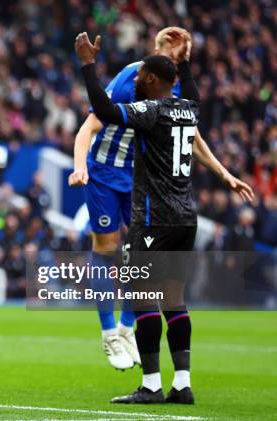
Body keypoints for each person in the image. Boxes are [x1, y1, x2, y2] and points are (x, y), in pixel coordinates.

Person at [74, 32, 252, 404]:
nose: (136, 79)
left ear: (153, 82)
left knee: (141, 297)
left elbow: (104, 112)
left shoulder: (151, 112)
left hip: (154, 215)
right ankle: (183, 384)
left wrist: (88, 68)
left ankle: (151, 385)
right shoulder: (189, 108)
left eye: (143, 77)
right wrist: (183, 61)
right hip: (187, 216)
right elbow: (190, 89)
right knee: (174, 298)